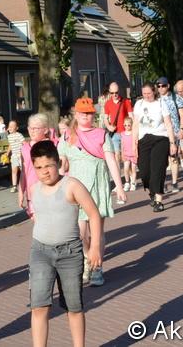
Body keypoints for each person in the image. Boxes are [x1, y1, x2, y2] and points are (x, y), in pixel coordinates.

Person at [27, 140, 102, 347]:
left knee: (74, 307)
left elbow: (94, 214)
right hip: (40, 252)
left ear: (58, 163)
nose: (44, 172)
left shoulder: (72, 185)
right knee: (39, 306)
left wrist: (94, 247)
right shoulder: (34, 189)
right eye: (39, 167)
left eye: (49, 166)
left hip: (70, 253)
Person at [59, 98, 125, 287]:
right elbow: (61, 163)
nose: (85, 116)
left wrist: (119, 186)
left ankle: (97, 267)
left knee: (97, 231)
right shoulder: (67, 135)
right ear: (76, 114)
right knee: (80, 234)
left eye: (88, 113)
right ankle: (88, 259)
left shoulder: (101, 134)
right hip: (76, 187)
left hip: (97, 185)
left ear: (93, 115)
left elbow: (111, 160)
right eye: (82, 113)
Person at [133, 83, 177, 212]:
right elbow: (135, 124)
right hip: (143, 139)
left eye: (149, 93)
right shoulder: (139, 104)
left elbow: (168, 123)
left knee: (158, 168)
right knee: (144, 170)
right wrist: (133, 144)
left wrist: (172, 143)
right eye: (144, 94)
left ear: (154, 92)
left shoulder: (161, 103)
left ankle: (158, 200)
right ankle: (152, 191)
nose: (146, 96)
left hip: (160, 138)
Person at [18, 113, 58, 217]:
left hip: (51, 191)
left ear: (45, 130)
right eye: (30, 128)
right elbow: (23, 172)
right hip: (32, 193)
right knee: (38, 222)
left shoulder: (54, 145)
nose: (32, 131)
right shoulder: (25, 148)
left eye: (35, 128)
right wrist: (21, 191)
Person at [155, 77, 183, 193]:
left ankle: (174, 182)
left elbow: (182, 115)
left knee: (173, 158)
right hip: (160, 132)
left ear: (168, 86)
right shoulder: (155, 100)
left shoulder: (176, 98)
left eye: (163, 86)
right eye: (158, 86)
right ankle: (162, 183)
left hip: (174, 132)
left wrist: (182, 129)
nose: (161, 88)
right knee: (161, 160)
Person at [102, 82, 133, 172]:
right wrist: (108, 126)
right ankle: (118, 176)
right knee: (117, 155)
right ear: (109, 92)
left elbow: (131, 116)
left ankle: (130, 176)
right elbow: (105, 118)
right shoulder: (108, 103)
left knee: (127, 156)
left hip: (125, 132)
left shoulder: (126, 101)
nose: (114, 95)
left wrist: (132, 129)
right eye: (112, 93)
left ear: (119, 91)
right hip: (115, 133)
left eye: (116, 92)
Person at [7, 120, 25, 193]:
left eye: (12, 126)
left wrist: (24, 152)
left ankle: (25, 184)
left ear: (16, 128)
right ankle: (14, 186)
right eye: (9, 126)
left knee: (23, 170)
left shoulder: (19, 135)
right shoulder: (9, 136)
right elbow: (10, 145)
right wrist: (7, 153)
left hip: (20, 155)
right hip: (14, 156)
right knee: (14, 170)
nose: (10, 128)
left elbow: (24, 143)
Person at [120, 117, 137, 191]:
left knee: (133, 169)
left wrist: (137, 153)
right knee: (126, 169)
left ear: (132, 125)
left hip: (133, 154)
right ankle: (127, 182)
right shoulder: (122, 134)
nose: (127, 127)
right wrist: (122, 154)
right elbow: (122, 145)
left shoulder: (134, 133)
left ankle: (133, 183)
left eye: (128, 125)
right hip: (126, 154)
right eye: (125, 125)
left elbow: (136, 143)